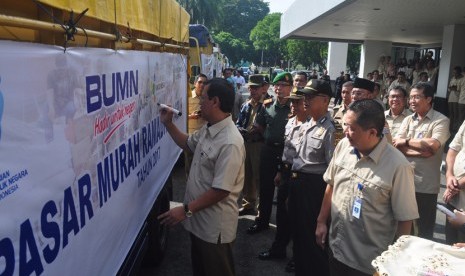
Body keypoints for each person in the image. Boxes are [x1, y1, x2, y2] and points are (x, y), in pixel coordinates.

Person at [316, 99, 419, 276]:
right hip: (336, 248)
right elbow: (331, 184)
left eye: (352, 128)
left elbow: (405, 219)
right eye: (345, 125)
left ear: (372, 132)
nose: (346, 132)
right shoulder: (343, 146)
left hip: (368, 263)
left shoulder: (398, 166)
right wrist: (321, 222)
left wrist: (397, 261)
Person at [158, 78, 245, 276]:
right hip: (200, 225)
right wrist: (169, 124)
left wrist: (185, 210)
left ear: (215, 102)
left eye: (203, 98)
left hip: (213, 231)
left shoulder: (230, 142)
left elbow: (221, 190)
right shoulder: (210, 128)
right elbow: (188, 144)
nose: (199, 101)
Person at [288, 79, 335, 276]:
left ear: (325, 100)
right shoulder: (308, 123)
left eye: (310, 96)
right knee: (298, 234)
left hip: (314, 188)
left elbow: (333, 171)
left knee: (312, 238)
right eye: (304, 96)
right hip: (297, 183)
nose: (304, 100)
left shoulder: (331, 129)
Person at [257, 87, 306, 273]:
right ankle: (278, 249)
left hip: (301, 177)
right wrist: (279, 171)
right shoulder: (290, 122)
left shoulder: (311, 125)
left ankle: (297, 257)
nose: (292, 105)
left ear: (305, 104)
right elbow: (285, 153)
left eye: (296, 102)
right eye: (291, 102)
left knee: (297, 218)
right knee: (282, 216)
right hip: (286, 173)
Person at [393, 82, 450, 240]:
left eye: (417, 97)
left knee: (423, 233)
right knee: (403, 230)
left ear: (429, 99)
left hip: (425, 186)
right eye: (411, 97)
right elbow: (396, 144)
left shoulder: (441, 121)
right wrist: (421, 150)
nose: (412, 101)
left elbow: (433, 145)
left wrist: (406, 142)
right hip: (404, 182)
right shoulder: (407, 120)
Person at [247, 72, 292, 234]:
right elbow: (258, 126)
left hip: (286, 152)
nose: (279, 89)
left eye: (284, 86)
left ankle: (283, 228)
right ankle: (262, 221)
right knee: (265, 188)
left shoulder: (295, 107)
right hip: (268, 150)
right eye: (277, 85)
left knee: (283, 193)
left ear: (291, 88)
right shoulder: (267, 105)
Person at [236, 75, 266, 216]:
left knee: (259, 176)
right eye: (251, 87)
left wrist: (260, 130)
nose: (253, 90)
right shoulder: (246, 105)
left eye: (256, 87)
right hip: (246, 143)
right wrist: (241, 130)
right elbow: (238, 123)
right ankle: (248, 204)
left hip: (259, 145)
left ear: (263, 88)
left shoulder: (268, 105)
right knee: (246, 175)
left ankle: (261, 208)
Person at [443, 120, 465, 245]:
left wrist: (454, 186)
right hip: (454, 199)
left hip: (457, 194)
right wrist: (449, 175)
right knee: (450, 245)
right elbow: (453, 148)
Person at [185, 74, 208, 175]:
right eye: (200, 82)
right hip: (191, 136)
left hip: (205, 136)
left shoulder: (208, 98)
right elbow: (180, 116)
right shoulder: (187, 97)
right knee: (190, 165)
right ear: (194, 84)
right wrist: (191, 116)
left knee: (203, 166)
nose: (202, 85)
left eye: (204, 83)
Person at [447, 66, 465, 133]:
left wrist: (455, 88)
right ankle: (450, 127)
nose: (455, 74)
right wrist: (451, 88)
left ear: (459, 72)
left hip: (457, 99)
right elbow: (449, 88)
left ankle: (456, 128)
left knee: (456, 114)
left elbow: (461, 90)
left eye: (456, 73)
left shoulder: (462, 79)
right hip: (450, 98)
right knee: (451, 114)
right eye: (454, 73)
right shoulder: (453, 78)